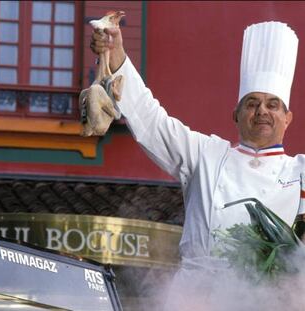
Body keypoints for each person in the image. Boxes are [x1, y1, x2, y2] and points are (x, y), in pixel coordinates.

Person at [91, 20, 305, 309]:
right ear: (236, 114)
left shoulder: (300, 172)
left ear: (287, 117)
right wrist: (116, 56)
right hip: (195, 300)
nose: (262, 111)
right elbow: (153, 123)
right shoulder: (207, 155)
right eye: (252, 103)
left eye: (273, 104)